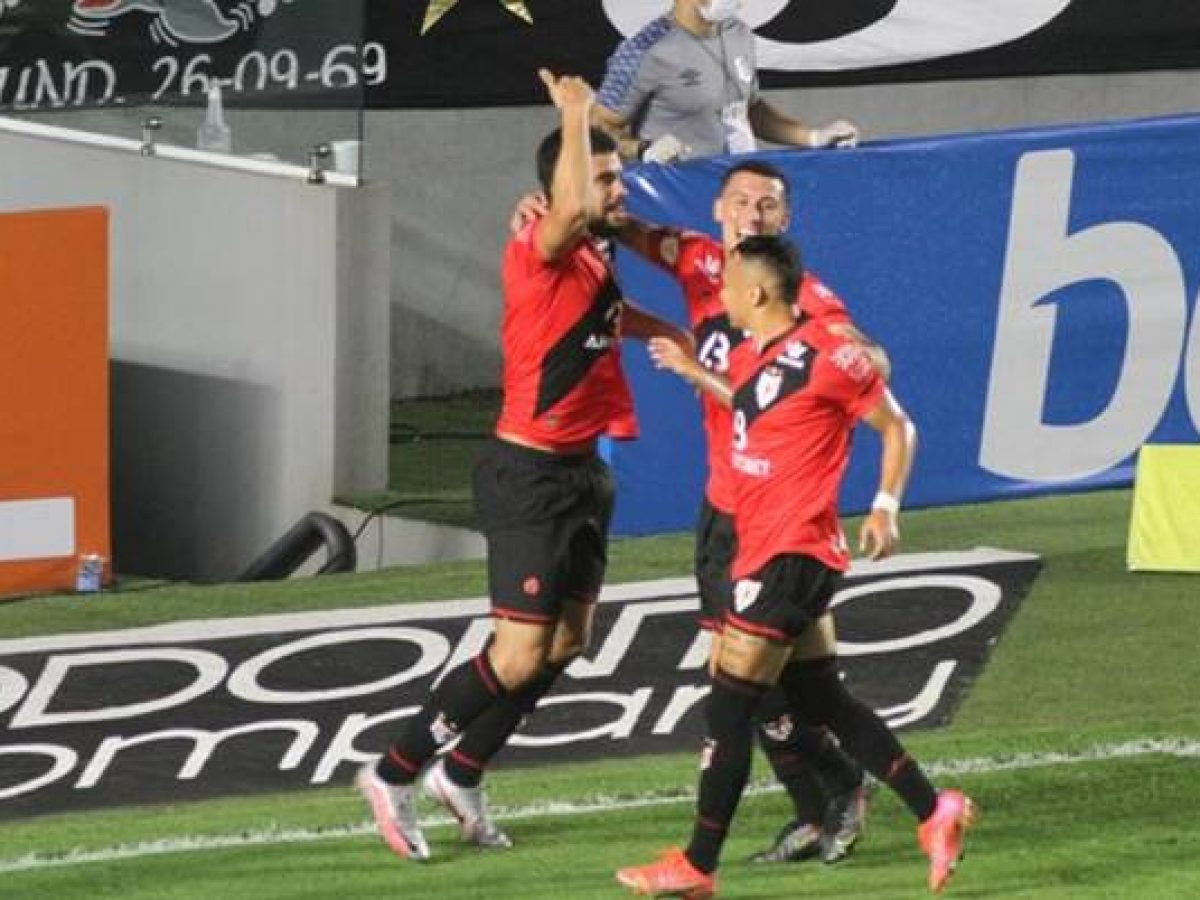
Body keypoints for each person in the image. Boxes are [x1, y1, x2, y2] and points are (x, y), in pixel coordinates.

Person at [509, 159, 883, 865]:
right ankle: (827, 796)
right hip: (721, 508)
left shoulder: (807, 301)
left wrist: (868, 355)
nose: (753, 212)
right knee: (752, 683)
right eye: (741, 200)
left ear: (785, 221)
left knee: (754, 683)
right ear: (718, 210)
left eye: (768, 204)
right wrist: (538, 204)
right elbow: (612, 218)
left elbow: (867, 363)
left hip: (776, 516)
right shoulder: (700, 262)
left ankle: (833, 793)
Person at [356, 69, 687, 861]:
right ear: (566, 184)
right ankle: (394, 770)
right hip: (528, 476)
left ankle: (463, 771)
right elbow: (569, 204)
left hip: (582, 474)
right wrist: (576, 114)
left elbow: (605, 313)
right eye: (605, 178)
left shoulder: (595, 254)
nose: (617, 189)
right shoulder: (538, 245)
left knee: (570, 642)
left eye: (617, 176)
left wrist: (664, 329)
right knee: (516, 653)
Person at [616, 235, 976, 898]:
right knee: (820, 698)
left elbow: (898, 426)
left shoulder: (828, 354)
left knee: (728, 711)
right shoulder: (756, 354)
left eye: (727, 283)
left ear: (755, 291)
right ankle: (935, 811)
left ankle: (697, 866)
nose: (718, 293)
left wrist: (885, 505)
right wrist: (698, 374)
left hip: (791, 555)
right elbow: (760, 414)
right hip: (768, 549)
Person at [595, 0, 859, 162]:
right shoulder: (642, 50)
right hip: (678, 197)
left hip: (740, 187)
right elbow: (598, 128)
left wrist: (812, 137)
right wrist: (643, 149)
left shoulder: (739, 33)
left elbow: (750, 109)